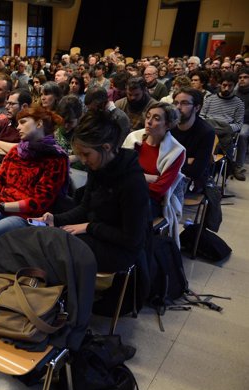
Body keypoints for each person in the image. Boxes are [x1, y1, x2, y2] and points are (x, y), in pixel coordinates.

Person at [35, 111, 148, 273]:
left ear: (106, 147)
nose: (82, 160)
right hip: (98, 233)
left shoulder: (132, 182)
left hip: (120, 249)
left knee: (58, 248)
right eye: (79, 154)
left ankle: (64, 294)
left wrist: (89, 227)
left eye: (86, 154)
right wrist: (55, 219)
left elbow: (131, 239)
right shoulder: (98, 166)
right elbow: (85, 207)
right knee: (49, 238)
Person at [0, 105, 68, 239]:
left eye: (23, 122)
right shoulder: (15, 152)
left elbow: (39, 202)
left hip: (27, 215)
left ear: (39, 124)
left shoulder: (55, 159)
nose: (18, 127)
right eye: (18, 123)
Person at [123, 102, 185, 241]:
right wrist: (144, 177)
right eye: (148, 116)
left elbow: (158, 189)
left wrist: (130, 177)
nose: (149, 122)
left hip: (151, 199)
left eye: (156, 118)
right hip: (125, 190)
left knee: (129, 212)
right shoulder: (133, 138)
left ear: (168, 124)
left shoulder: (176, 151)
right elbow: (117, 170)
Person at [171, 87, 215, 192]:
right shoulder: (169, 125)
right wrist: (187, 160)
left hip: (191, 180)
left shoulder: (206, 132)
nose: (178, 107)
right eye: (175, 103)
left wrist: (171, 160)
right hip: (167, 174)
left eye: (184, 103)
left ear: (197, 107)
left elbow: (196, 171)